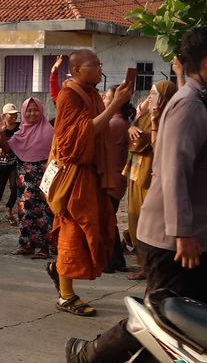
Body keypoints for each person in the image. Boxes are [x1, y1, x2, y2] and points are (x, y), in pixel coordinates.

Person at [65, 26, 207, 363]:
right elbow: (173, 169)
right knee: (163, 320)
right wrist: (182, 232)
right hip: (177, 239)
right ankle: (88, 356)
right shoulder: (189, 105)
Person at [45, 49, 134, 317]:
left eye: (100, 63)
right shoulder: (69, 94)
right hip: (75, 176)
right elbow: (77, 138)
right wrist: (114, 106)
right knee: (72, 231)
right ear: (77, 70)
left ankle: (58, 271)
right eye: (94, 64)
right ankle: (66, 295)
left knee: (93, 229)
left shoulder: (92, 93)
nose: (100, 68)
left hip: (91, 173)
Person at [123, 80, 177, 278]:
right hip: (137, 173)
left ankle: (152, 266)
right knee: (134, 218)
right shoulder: (145, 115)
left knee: (151, 224)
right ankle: (142, 265)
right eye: (150, 93)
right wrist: (131, 129)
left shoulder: (170, 118)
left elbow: (161, 148)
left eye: (156, 94)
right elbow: (132, 129)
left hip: (153, 176)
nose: (151, 97)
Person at [0, 97, 56, 259]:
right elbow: (7, 150)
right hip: (24, 182)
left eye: (35, 109)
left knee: (43, 212)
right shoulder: (20, 132)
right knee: (24, 211)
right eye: (28, 110)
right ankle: (27, 245)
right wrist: (2, 133)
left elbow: (56, 155)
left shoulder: (48, 131)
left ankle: (44, 247)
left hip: (42, 180)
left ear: (41, 110)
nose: (32, 113)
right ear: (23, 113)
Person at [101, 89, 134, 274]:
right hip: (116, 179)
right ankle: (116, 259)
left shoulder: (114, 124)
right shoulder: (120, 123)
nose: (103, 99)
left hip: (110, 180)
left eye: (106, 97)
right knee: (108, 219)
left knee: (106, 220)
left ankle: (111, 260)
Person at [0, 103, 20, 226]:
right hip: (1, 164)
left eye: (15, 114)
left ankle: (9, 211)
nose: (14, 116)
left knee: (14, 187)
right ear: (4, 115)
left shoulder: (19, 127)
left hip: (14, 163)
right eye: (11, 114)